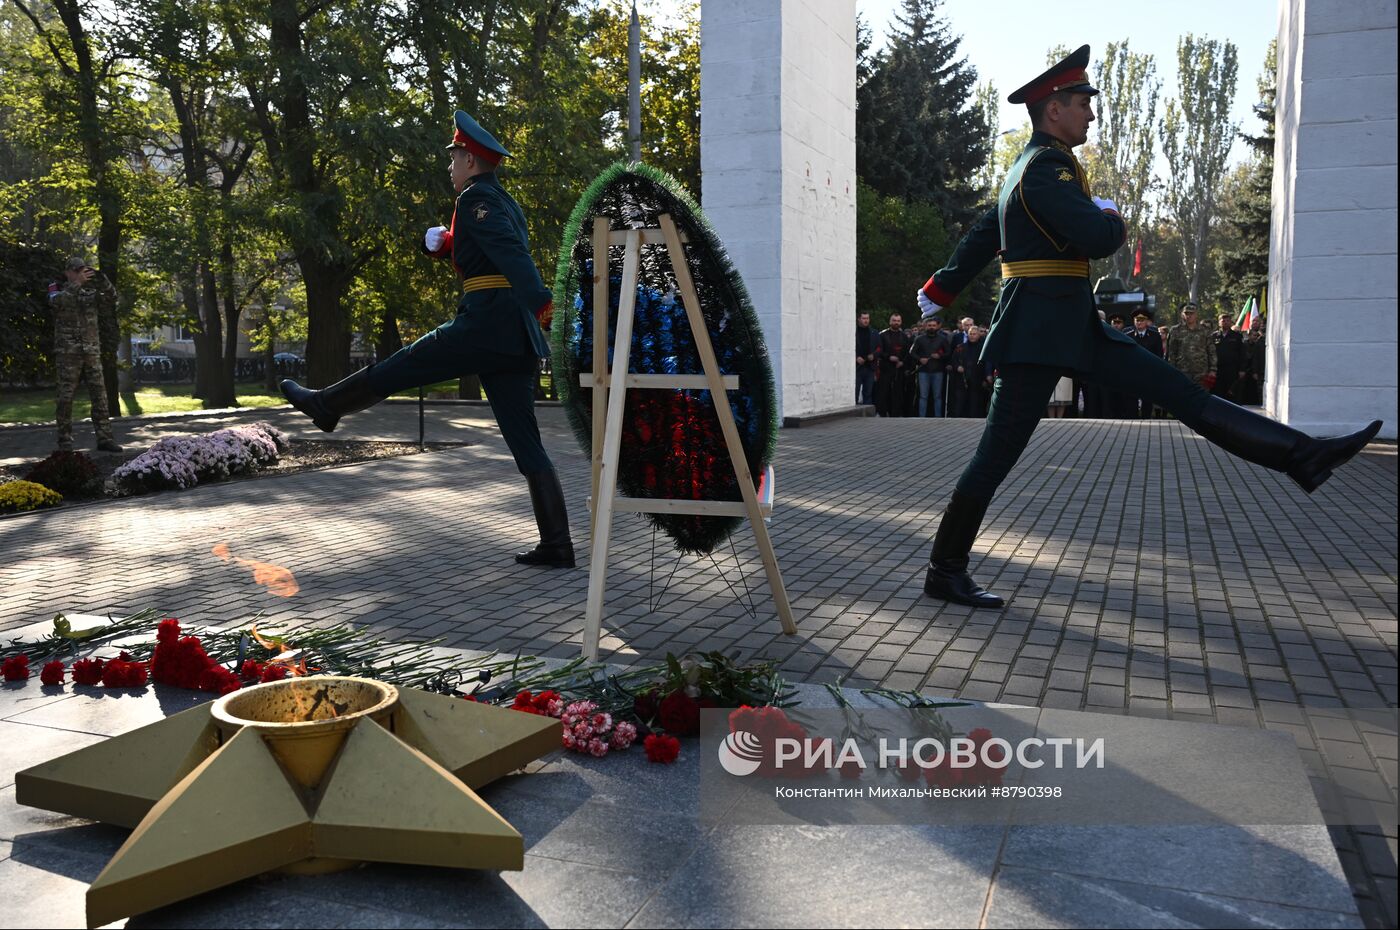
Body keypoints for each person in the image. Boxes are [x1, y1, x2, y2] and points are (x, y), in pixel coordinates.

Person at [913, 45, 1380, 608]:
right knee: (995, 455)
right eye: (1083, 102)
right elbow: (1099, 238)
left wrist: (942, 286)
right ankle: (944, 569)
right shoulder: (1045, 168)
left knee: (1181, 394)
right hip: (1038, 333)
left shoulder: (1026, 168)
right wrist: (1111, 214)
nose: (1091, 113)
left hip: (1068, 325)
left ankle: (1302, 455)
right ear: (1053, 108)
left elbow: (984, 235)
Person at [280, 110, 575, 568]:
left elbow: (513, 258)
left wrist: (546, 304)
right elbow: (490, 253)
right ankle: (557, 545)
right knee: (527, 442)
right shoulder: (498, 199)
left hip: (486, 325)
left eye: (455, 156)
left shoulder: (479, 199)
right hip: (512, 336)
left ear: (472, 161)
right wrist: (447, 246)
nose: (451, 165)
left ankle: (326, 406)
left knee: (404, 365)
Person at [51, 257, 122, 453]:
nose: (81, 273)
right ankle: (64, 442)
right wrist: (76, 284)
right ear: (68, 272)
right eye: (77, 270)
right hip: (68, 352)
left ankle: (105, 438)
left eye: (83, 270)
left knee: (100, 396)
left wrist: (103, 279)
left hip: (91, 350)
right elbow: (57, 303)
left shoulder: (91, 291)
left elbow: (111, 298)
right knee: (66, 397)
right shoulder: (57, 288)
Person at [1164, 302, 1215, 397]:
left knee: (1201, 398)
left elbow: (1211, 351)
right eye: (1186, 313)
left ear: (1196, 315)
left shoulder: (1205, 330)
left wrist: (1213, 370)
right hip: (1182, 371)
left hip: (1201, 372)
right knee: (1182, 397)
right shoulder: (1175, 330)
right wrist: (1172, 370)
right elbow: (1171, 352)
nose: (1189, 316)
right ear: (1182, 315)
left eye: (1191, 313)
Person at [909, 316, 951, 417]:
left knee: (937, 397)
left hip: (938, 371)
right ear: (925, 326)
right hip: (923, 371)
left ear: (937, 327)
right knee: (923, 396)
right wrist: (920, 359)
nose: (931, 327)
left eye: (933, 325)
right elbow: (912, 352)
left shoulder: (942, 339)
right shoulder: (919, 339)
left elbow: (949, 353)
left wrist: (939, 356)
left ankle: (938, 418)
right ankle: (922, 418)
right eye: (929, 325)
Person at [1126, 311, 1163, 418]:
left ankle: (1146, 421)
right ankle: (1132, 420)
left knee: (1147, 400)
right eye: (1137, 320)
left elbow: (1159, 355)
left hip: (1148, 372)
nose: (1139, 322)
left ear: (1147, 321)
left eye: (1142, 320)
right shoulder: (1128, 335)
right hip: (1132, 372)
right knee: (1131, 399)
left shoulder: (1155, 336)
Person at [875, 313, 911, 417]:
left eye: (898, 321)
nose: (896, 323)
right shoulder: (882, 335)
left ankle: (895, 413)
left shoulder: (904, 337)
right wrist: (888, 357)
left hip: (899, 369)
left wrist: (902, 362)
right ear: (890, 321)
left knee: (897, 392)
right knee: (883, 391)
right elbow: (879, 350)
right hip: (885, 367)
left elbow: (908, 352)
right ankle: (881, 412)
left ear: (901, 322)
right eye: (894, 320)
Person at [1213, 313, 1245, 401]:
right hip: (1218, 369)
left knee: (1232, 394)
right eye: (1223, 321)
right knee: (1218, 393)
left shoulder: (1237, 336)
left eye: (1228, 321)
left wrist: (1242, 369)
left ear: (1231, 322)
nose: (1225, 323)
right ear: (1219, 322)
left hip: (1232, 369)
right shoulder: (1214, 336)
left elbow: (1242, 353)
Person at [1240, 317, 1266, 405]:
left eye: (1258, 321)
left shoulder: (1263, 340)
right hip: (1247, 370)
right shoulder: (1245, 343)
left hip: (1260, 370)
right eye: (1253, 321)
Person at [855, 312, 877, 406]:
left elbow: (879, 348)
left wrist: (874, 355)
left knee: (868, 394)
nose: (866, 320)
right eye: (864, 318)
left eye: (867, 318)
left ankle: (867, 417)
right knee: (854, 393)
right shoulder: (853, 331)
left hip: (869, 367)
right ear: (859, 319)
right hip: (857, 368)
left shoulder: (874, 332)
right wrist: (855, 357)